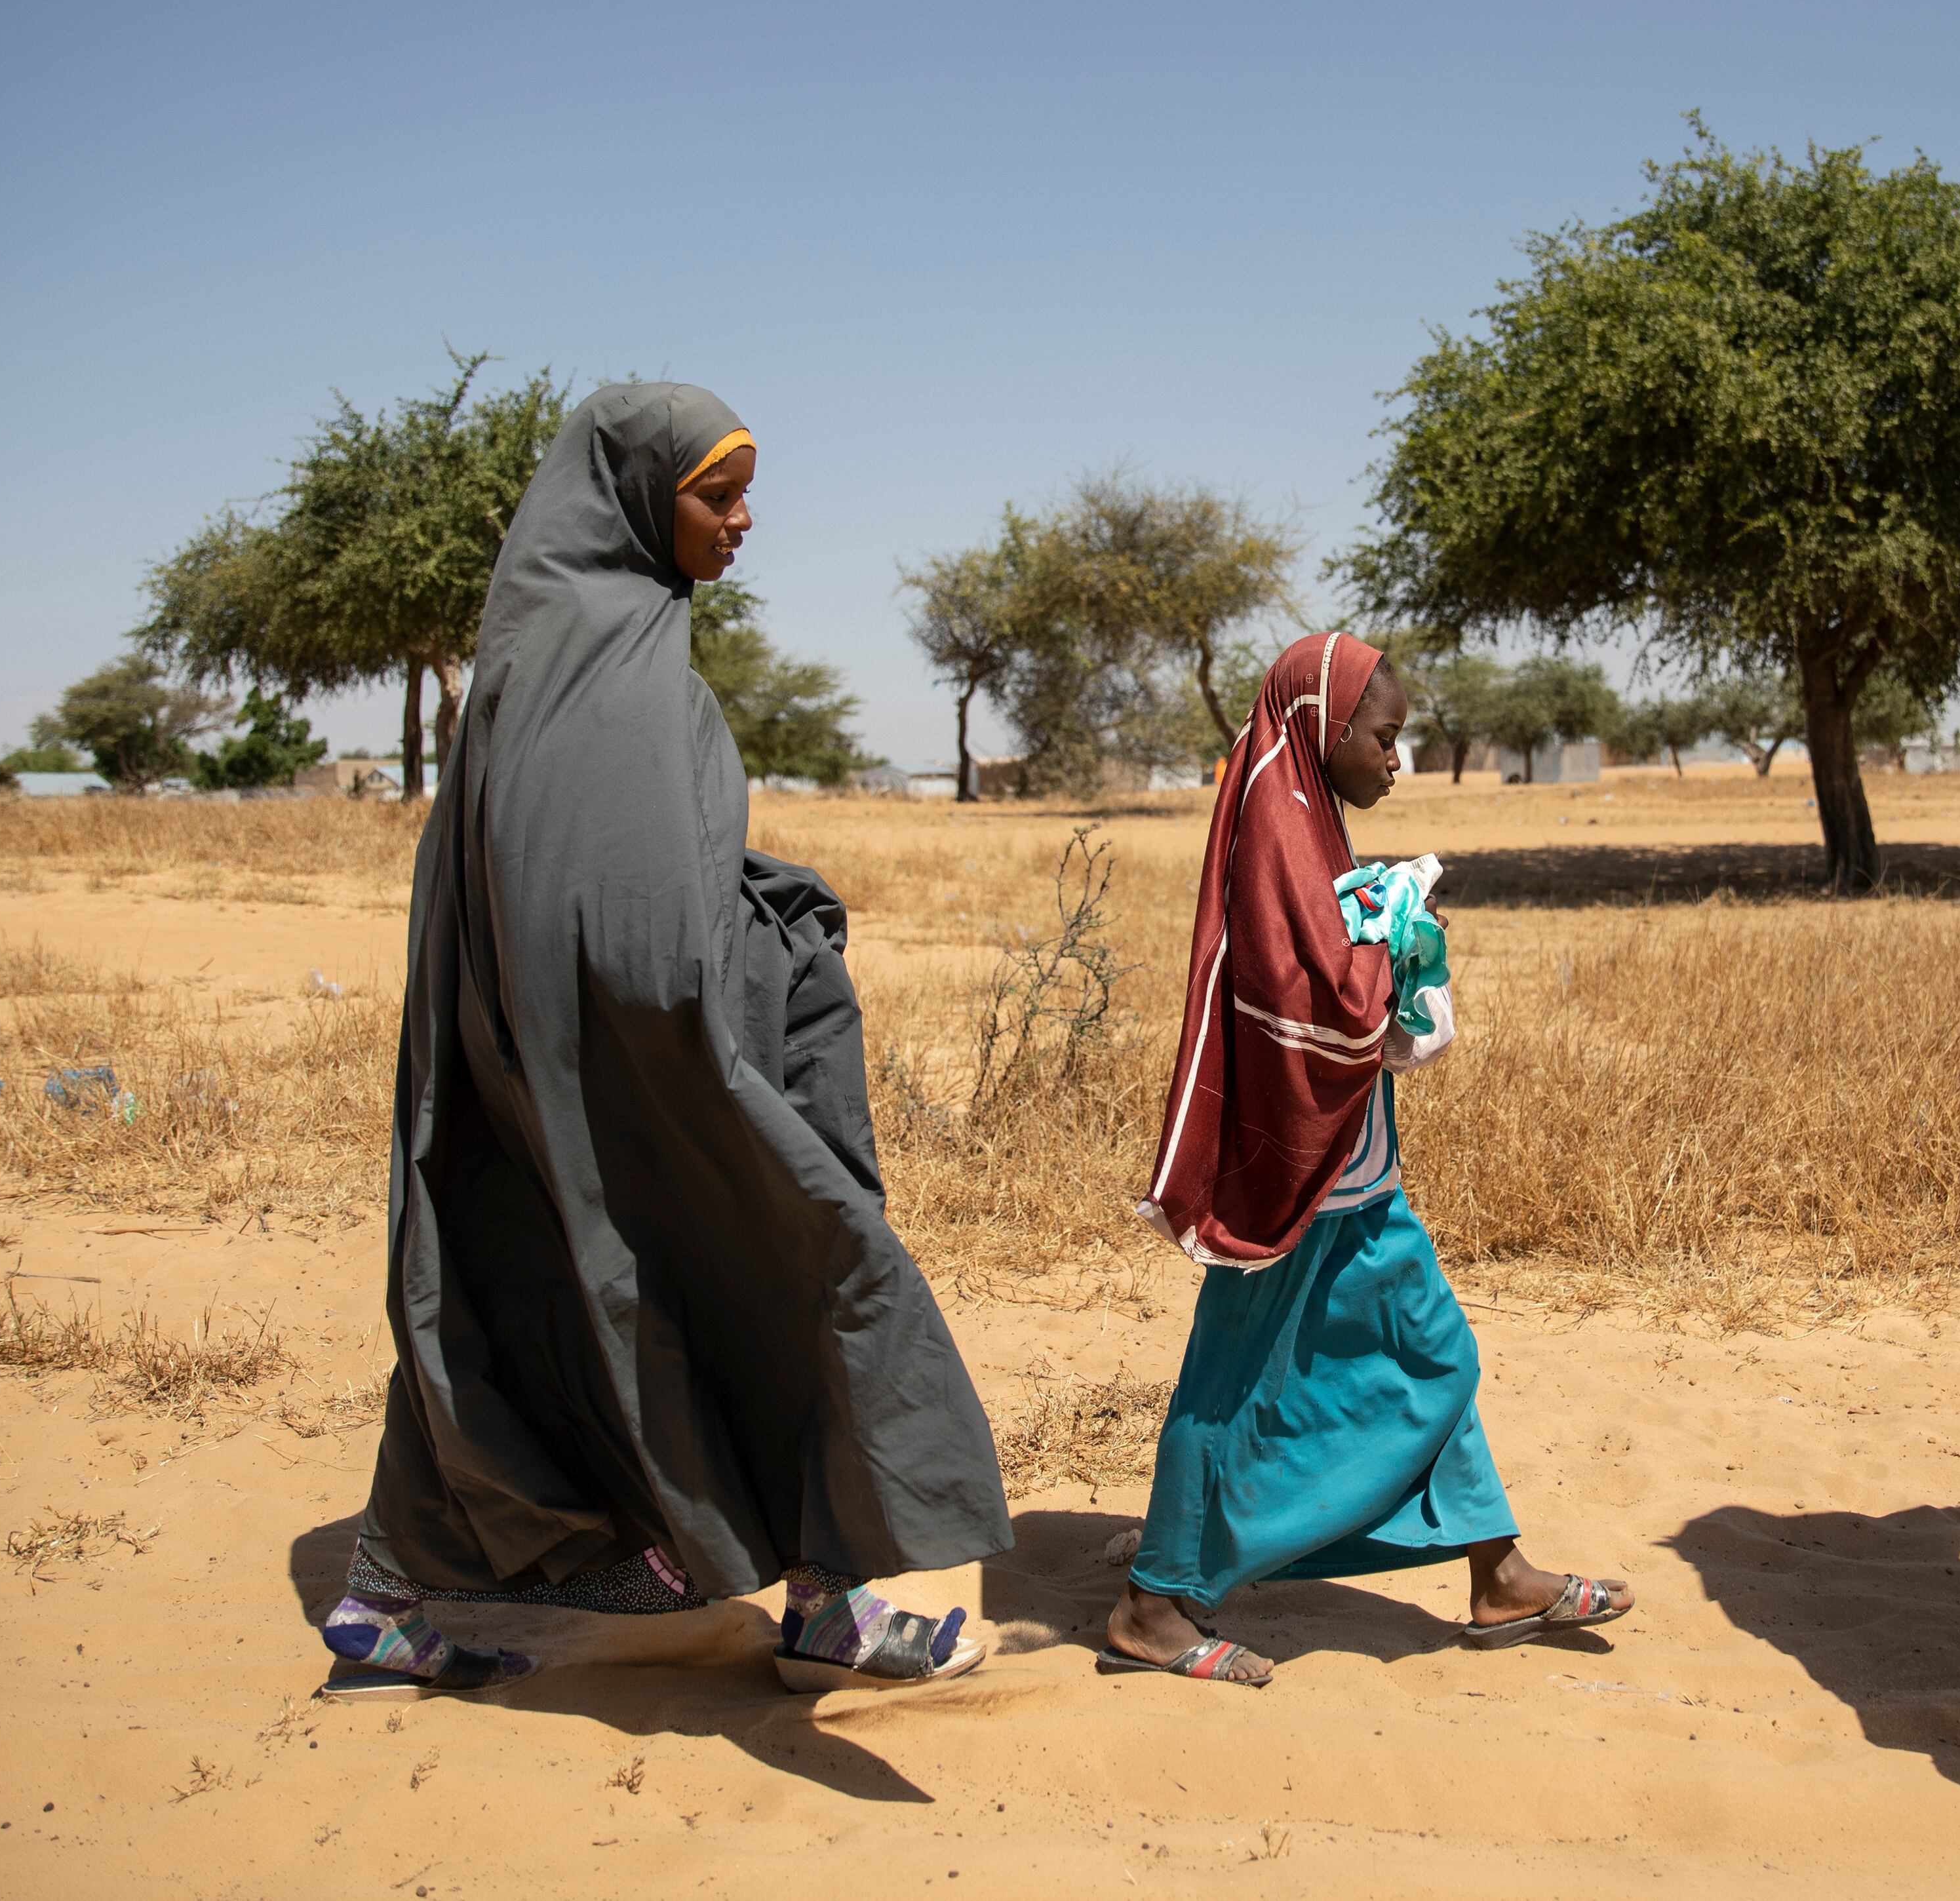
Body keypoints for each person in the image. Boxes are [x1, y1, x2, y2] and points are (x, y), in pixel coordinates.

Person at [315, 383, 1011, 1702]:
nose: (743, 521)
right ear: (636, 495)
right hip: (642, 1054)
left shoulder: (556, 639)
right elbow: (623, 918)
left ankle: (382, 1594)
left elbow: (575, 870)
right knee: (789, 1259)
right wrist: (749, 971)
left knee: (508, 1280)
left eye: (748, 493)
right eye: (717, 494)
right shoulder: (608, 657)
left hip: (535, 1054)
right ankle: (824, 1605)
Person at [1101, 632, 1633, 1686]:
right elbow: (1310, 996)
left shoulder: (1309, 814)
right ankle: (1153, 1601)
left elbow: (1326, 964)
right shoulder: (1277, 815)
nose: (1400, 758)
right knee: (1231, 1379)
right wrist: (1398, 943)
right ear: (1324, 725)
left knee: (1430, 1352)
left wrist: (1386, 928)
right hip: (1297, 1180)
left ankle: (1496, 1570)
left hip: (1354, 1171)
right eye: (1386, 737)